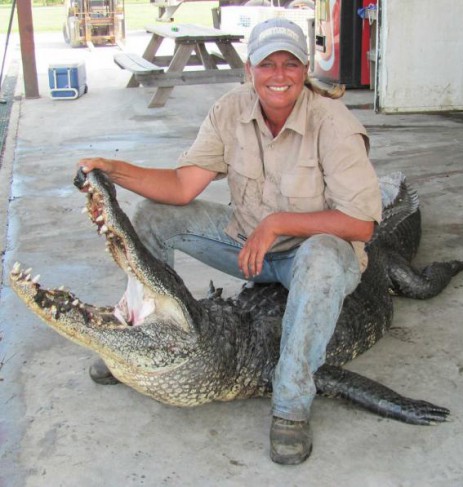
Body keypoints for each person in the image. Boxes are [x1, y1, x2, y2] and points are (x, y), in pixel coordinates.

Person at [79, 17, 381, 465]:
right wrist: (113, 170)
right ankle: (145, 335)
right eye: (267, 64)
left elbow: (362, 226)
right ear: (249, 68)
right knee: (153, 217)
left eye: (291, 63)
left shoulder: (332, 123)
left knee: (320, 256)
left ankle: (291, 406)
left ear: (305, 68)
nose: (279, 75)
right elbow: (183, 187)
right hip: (248, 247)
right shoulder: (229, 110)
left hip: (315, 256)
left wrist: (279, 222)